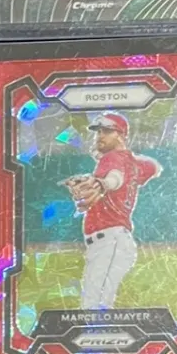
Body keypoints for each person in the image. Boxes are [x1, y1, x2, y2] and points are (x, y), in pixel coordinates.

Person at [61, 112, 160, 310]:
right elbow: (154, 167)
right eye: (98, 132)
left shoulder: (111, 158)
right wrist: (131, 159)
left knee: (92, 302)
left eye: (107, 131)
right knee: (102, 301)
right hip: (118, 241)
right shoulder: (134, 164)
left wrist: (103, 183)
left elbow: (115, 178)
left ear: (121, 134)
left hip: (108, 240)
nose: (100, 136)